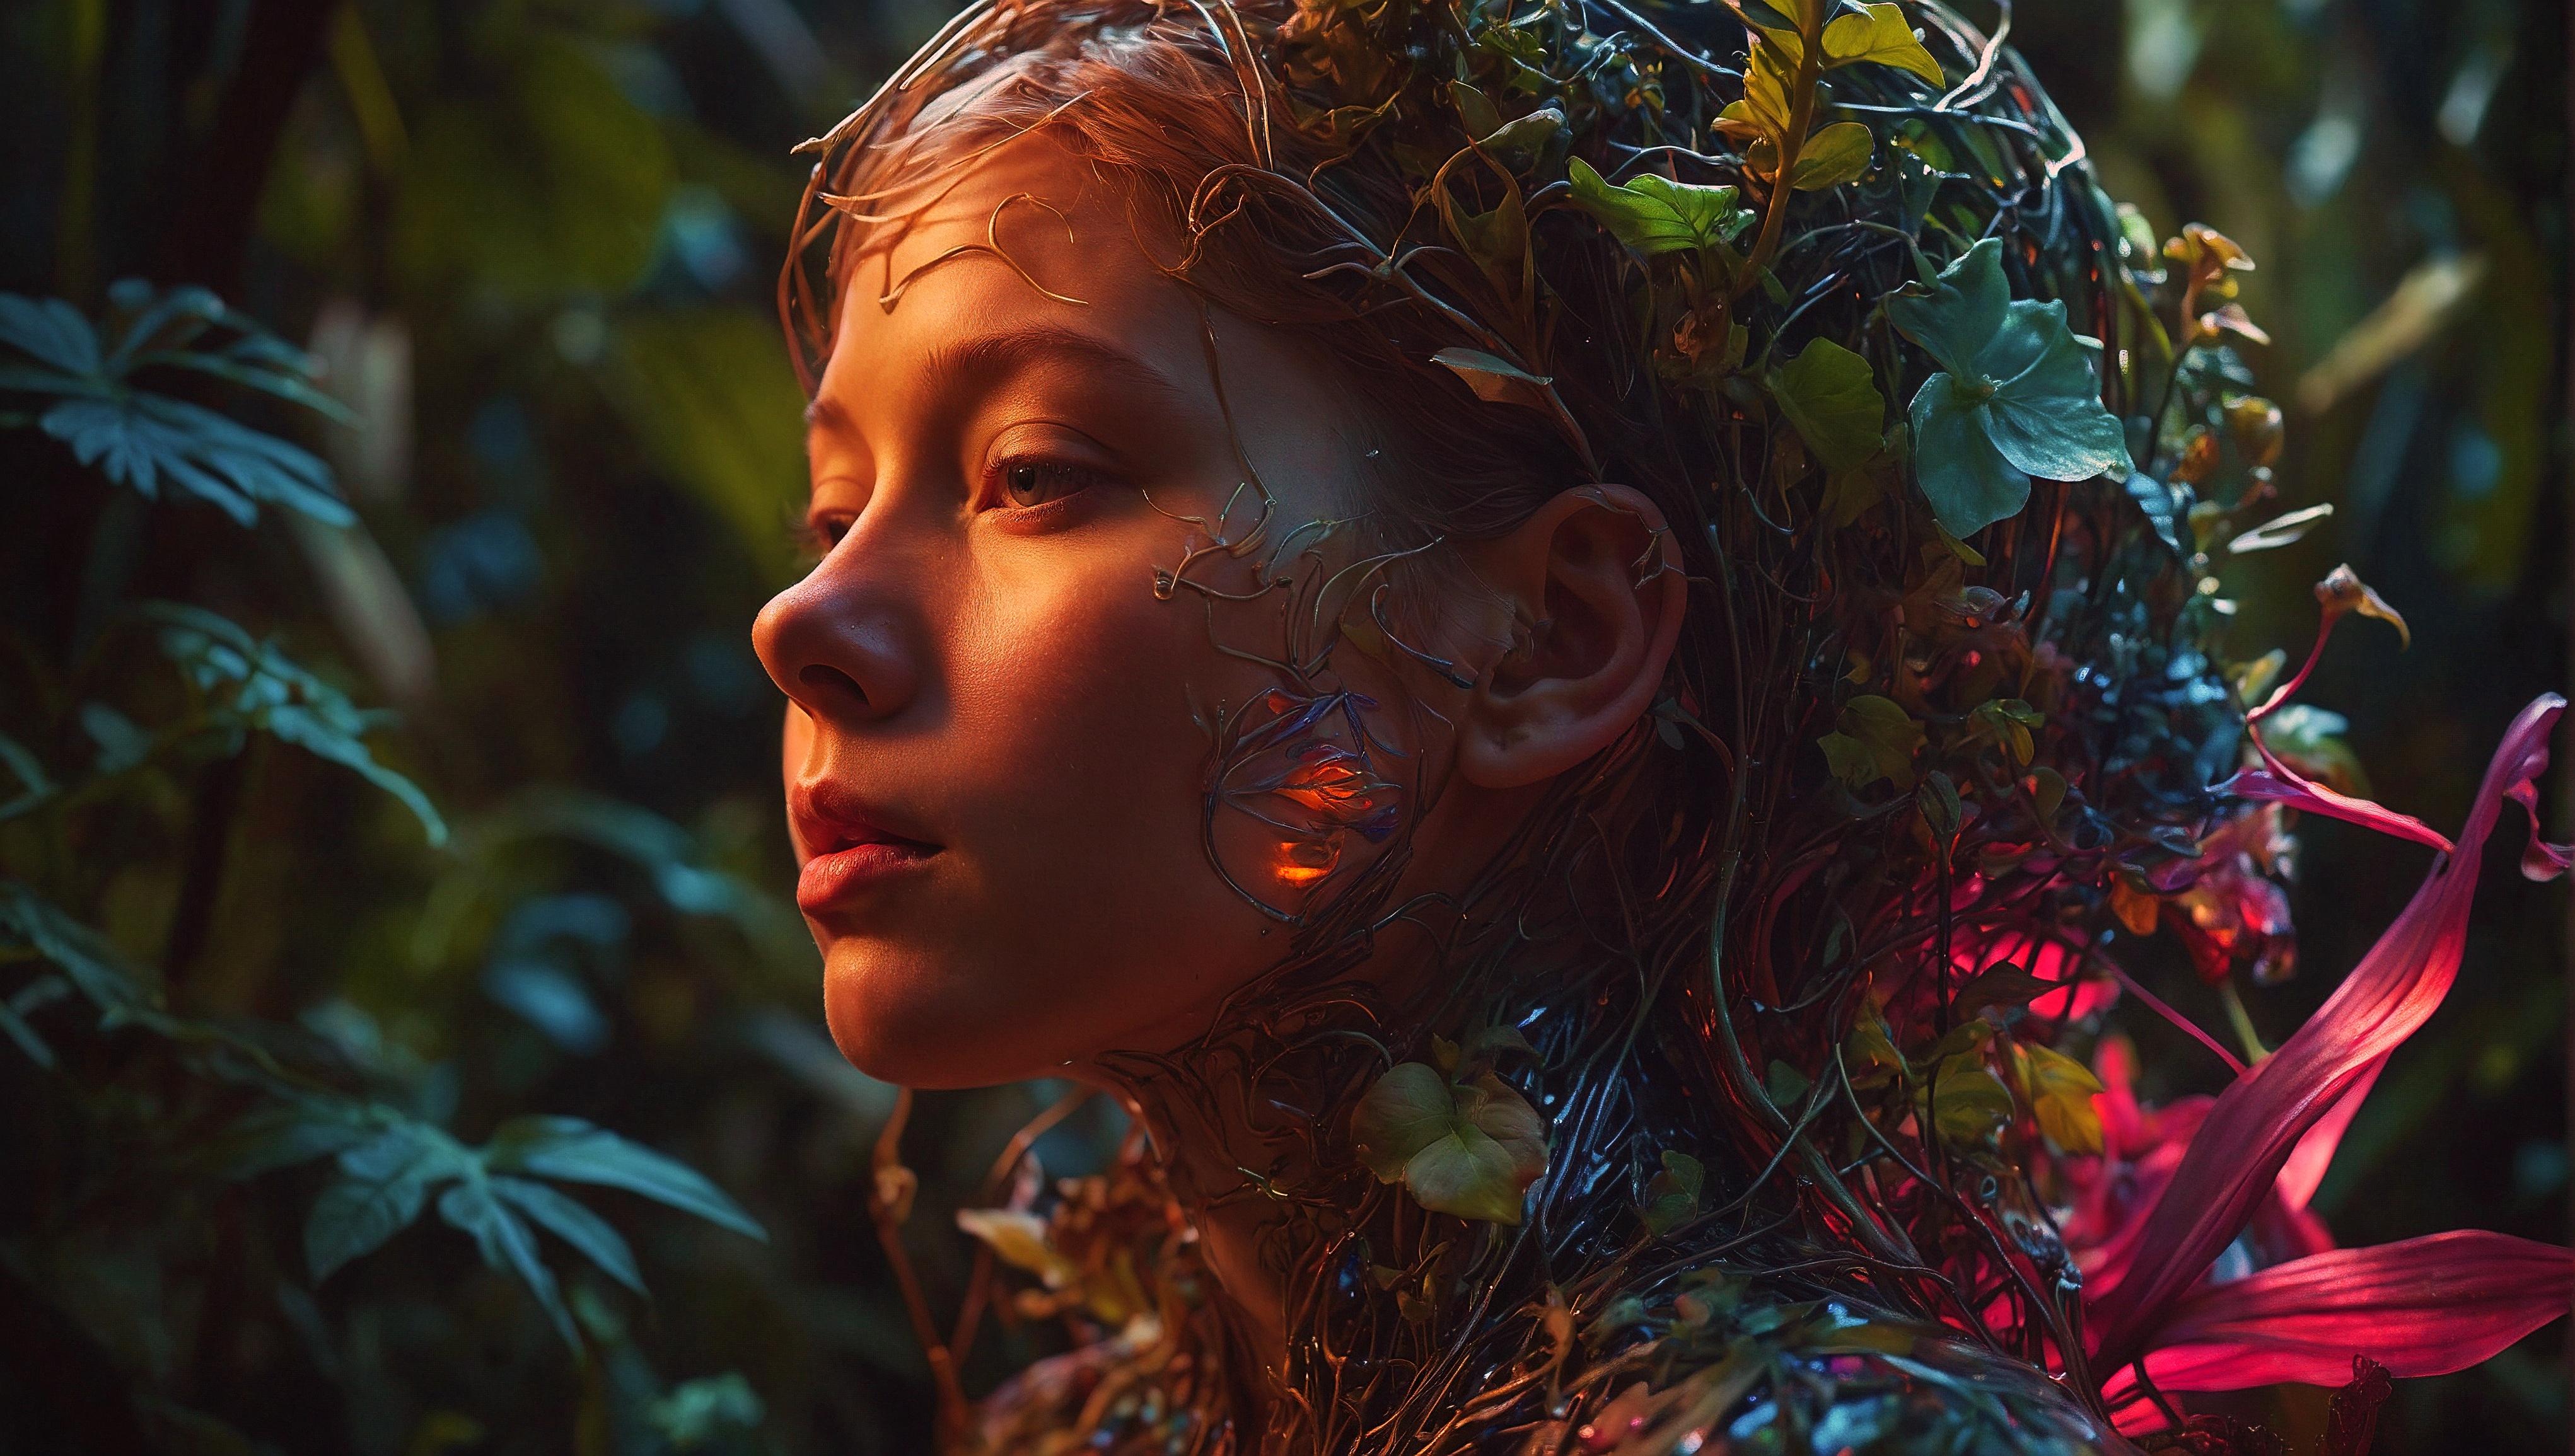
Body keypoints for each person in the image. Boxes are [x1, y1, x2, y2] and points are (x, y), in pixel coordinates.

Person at [751, 2, 2572, 1452]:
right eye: (833, 509)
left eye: (1034, 474)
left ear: (1551, 638)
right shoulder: (1094, 1423)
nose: (804, 621)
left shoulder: (1843, 1444)